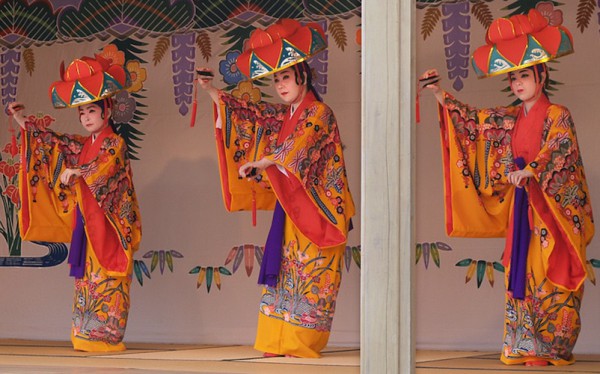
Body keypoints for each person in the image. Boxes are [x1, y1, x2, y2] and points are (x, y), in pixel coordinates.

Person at [421, 9, 594, 366]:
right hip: (523, 210)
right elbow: (476, 122)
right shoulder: (512, 117)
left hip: (550, 211)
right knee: (525, 274)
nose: (518, 84)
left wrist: (533, 170)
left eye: (525, 76)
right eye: (514, 78)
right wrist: (441, 95)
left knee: (549, 273)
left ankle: (555, 346)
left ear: (541, 75)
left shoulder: (556, 114)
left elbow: (560, 148)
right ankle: (527, 346)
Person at [196, 18, 355, 358]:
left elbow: (301, 145)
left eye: (285, 76)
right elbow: (250, 116)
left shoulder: (319, 113)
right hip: (292, 211)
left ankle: (301, 341)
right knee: (288, 275)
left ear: (303, 75)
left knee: (312, 274)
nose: (280, 85)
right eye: (276, 79)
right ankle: (277, 340)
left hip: (319, 210)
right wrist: (213, 92)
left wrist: (267, 161)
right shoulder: (284, 117)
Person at [8, 55, 142, 352]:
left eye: (91, 110)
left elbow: (104, 166)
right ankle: (85, 335)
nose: (85, 118)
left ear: (106, 112)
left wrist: (78, 171)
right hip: (88, 224)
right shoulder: (84, 145)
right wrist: (22, 121)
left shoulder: (114, 143)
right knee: (87, 281)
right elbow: (53, 142)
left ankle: (106, 337)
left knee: (107, 280)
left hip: (109, 226)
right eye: (82, 112)